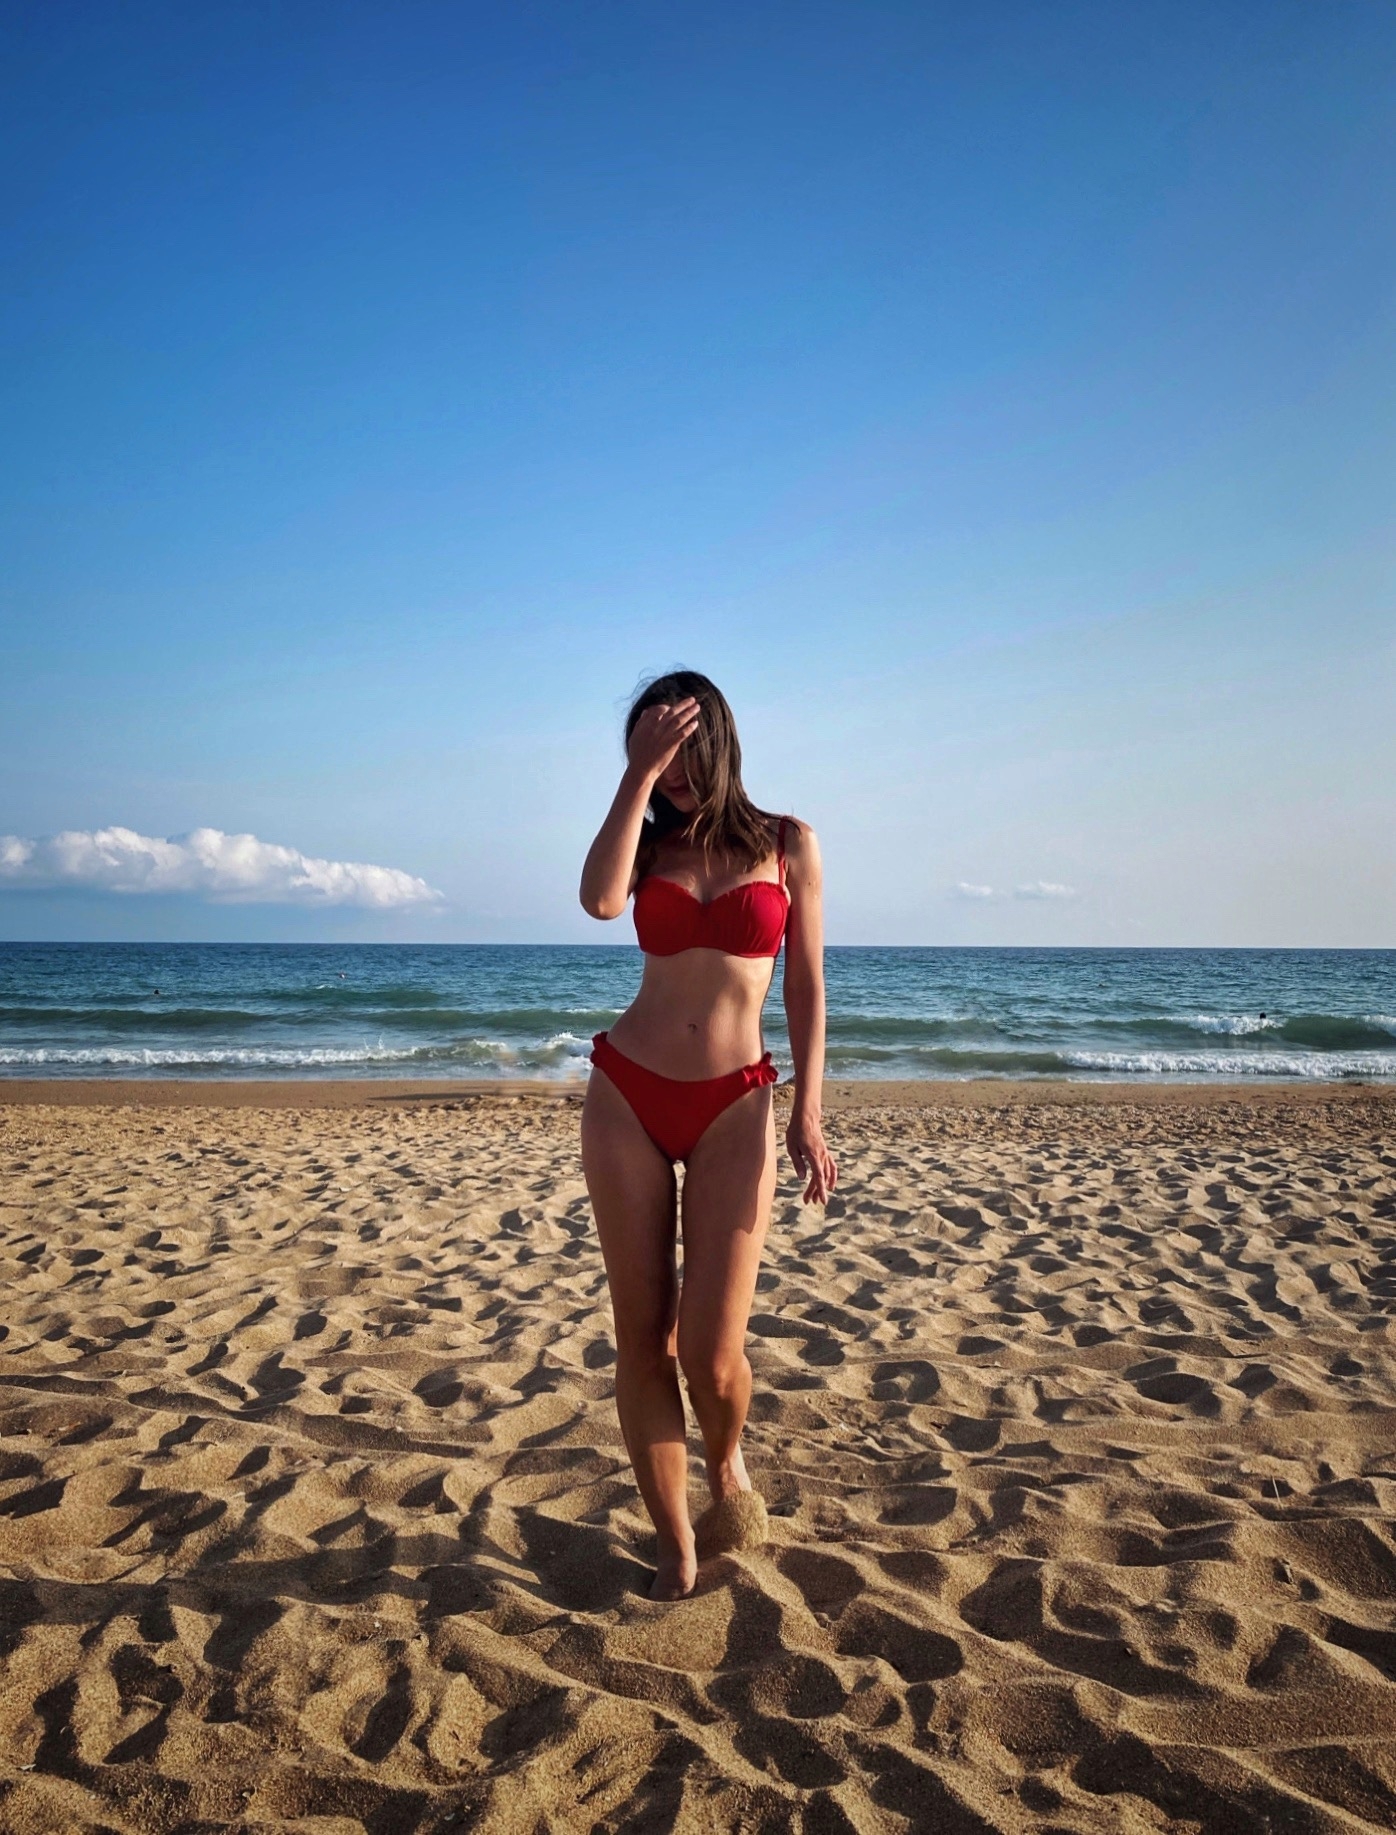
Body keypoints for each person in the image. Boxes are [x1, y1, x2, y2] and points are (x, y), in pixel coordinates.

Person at [579, 670, 837, 1599]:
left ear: (718, 739)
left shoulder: (788, 842)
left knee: (712, 1353)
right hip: (628, 1096)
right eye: (655, 753)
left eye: (682, 750)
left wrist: (808, 1109)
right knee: (643, 1337)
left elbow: (804, 983)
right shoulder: (647, 842)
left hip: (737, 1102)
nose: (672, 770)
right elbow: (599, 901)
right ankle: (675, 1541)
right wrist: (637, 779)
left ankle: (726, 1460)